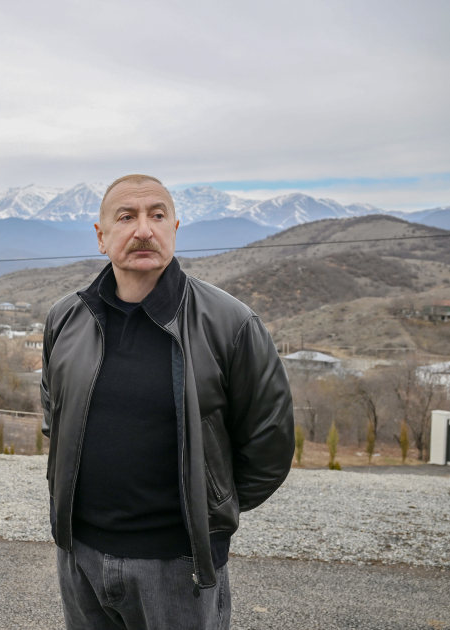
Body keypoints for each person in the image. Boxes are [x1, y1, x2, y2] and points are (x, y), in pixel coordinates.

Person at [41, 174, 294, 629]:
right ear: (101, 236)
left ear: (174, 229)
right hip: (80, 556)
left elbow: (269, 444)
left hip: (180, 565)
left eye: (157, 215)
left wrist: (209, 507)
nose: (144, 229)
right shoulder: (66, 318)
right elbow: (53, 414)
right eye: (127, 217)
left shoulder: (230, 323)